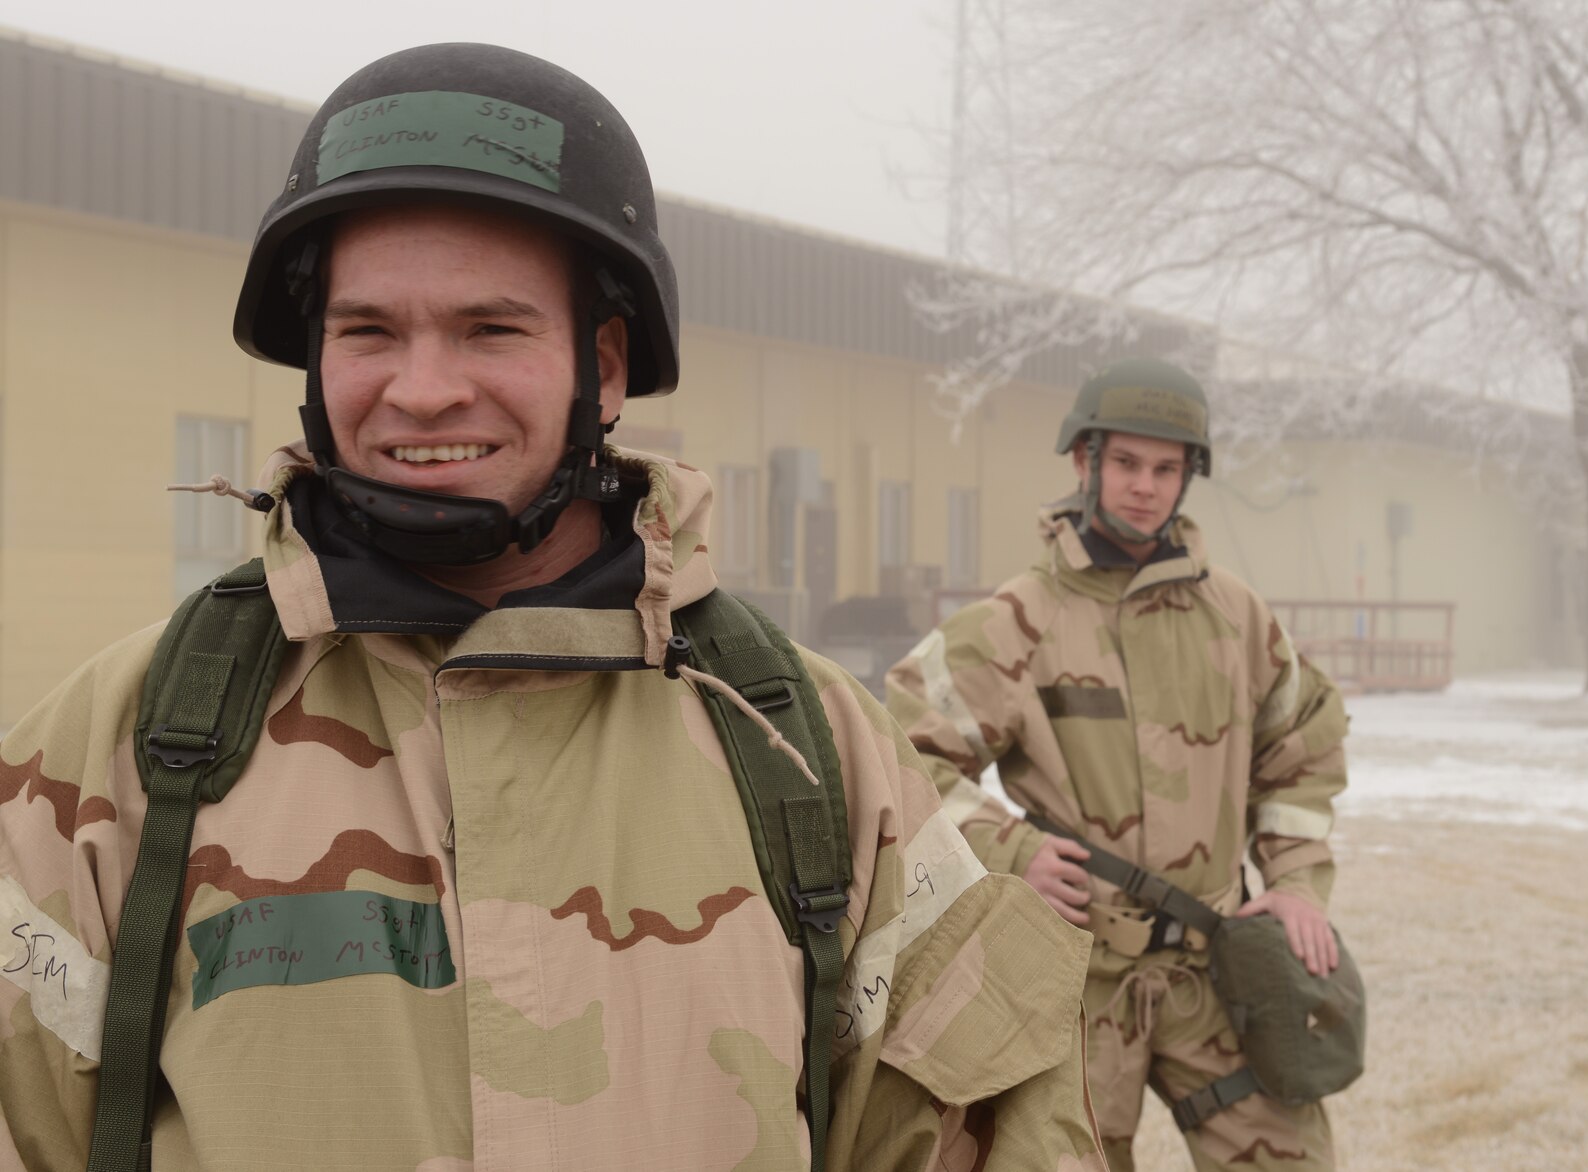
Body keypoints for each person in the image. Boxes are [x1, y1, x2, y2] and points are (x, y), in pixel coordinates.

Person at [0, 43, 1104, 1172]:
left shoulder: (806, 749)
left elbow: (994, 1130)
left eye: (491, 328)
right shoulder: (122, 749)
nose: (422, 387)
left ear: (605, 366)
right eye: (368, 329)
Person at [886, 358, 1351, 1171]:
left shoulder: (1236, 616)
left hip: (1220, 969)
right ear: (1084, 463)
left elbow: (1303, 743)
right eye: (1128, 464)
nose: (1146, 486)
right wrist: (1010, 850)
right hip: (1077, 978)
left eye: (1167, 469)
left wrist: (1296, 885)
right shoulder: (1017, 622)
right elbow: (899, 756)